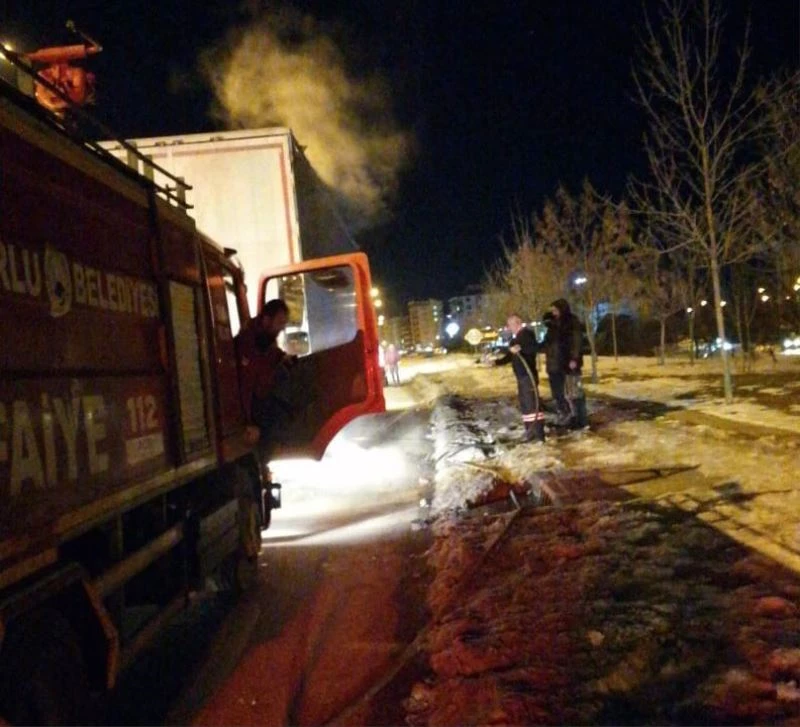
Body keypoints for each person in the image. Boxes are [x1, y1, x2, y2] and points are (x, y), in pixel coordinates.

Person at [235, 298, 297, 450]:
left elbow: (270, 355)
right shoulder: (244, 345)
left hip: (259, 416)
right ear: (266, 320)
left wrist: (284, 357)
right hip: (249, 420)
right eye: (280, 323)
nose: (281, 329)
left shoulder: (267, 346)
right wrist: (248, 424)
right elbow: (244, 387)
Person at [494, 313, 545, 442]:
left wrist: (521, 348)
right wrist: (496, 362)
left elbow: (534, 348)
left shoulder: (526, 335)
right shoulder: (515, 339)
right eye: (508, 324)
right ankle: (530, 432)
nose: (508, 327)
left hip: (528, 377)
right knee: (526, 406)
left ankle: (537, 435)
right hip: (521, 377)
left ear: (518, 323)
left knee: (531, 405)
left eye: (510, 324)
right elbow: (509, 356)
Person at [548, 298, 588, 429]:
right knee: (562, 393)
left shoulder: (571, 322)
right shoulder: (555, 323)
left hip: (569, 364)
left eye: (555, 310)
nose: (553, 312)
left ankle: (581, 420)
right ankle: (570, 416)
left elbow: (577, 341)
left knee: (575, 393)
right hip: (558, 364)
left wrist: (574, 359)